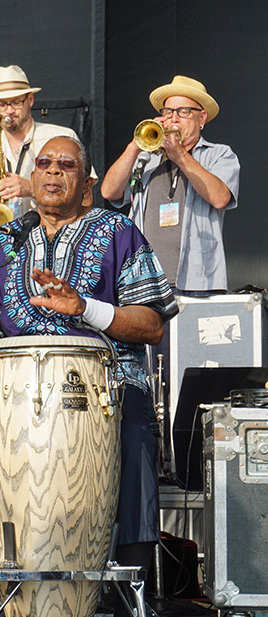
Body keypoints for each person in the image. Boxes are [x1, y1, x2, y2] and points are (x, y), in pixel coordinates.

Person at [0, 136, 178, 617]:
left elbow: (153, 324)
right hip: (18, 392)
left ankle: (134, 604)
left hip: (107, 387)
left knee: (135, 436)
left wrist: (83, 308)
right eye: (43, 164)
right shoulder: (8, 239)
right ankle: (9, 592)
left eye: (65, 165)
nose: (51, 173)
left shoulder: (119, 234)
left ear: (86, 183)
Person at [100, 75, 240, 473]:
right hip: (146, 291)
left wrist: (180, 156)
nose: (171, 119)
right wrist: (134, 145)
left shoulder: (219, 155)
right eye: (166, 111)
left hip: (198, 288)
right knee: (148, 379)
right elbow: (109, 192)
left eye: (181, 112)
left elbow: (218, 196)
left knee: (188, 381)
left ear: (201, 118)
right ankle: (152, 462)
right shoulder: (146, 157)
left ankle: (192, 464)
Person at [0, 65, 97, 222]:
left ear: (30, 100)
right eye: (2, 104)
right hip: (7, 243)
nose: (9, 111)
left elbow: (86, 198)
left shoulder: (62, 138)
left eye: (15, 102)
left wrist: (31, 189)